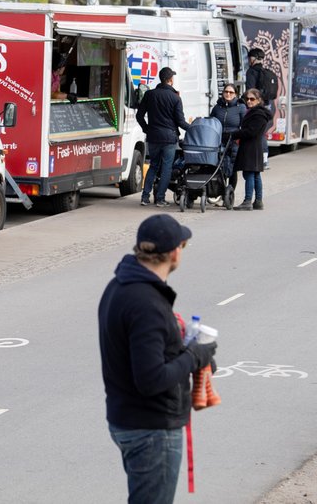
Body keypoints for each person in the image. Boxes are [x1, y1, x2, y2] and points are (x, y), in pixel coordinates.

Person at [98, 214, 217, 504]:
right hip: (151, 428)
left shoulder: (119, 287)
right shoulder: (146, 304)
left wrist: (181, 347)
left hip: (127, 418)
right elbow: (151, 379)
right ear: (175, 252)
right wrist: (194, 355)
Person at [137, 67, 190, 207]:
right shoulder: (175, 97)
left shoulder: (149, 94)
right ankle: (160, 199)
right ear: (171, 80)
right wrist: (193, 128)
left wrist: (147, 128)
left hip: (153, 137)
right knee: (167, 168)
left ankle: (145, 197)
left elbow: (139, 116)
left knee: (153, 166)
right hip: (169, 138)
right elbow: (180, 122)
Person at [233, 88, 273, 211]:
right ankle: (258, 201)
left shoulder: (258, 114)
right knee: (255, 174)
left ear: (259, 100)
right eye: (247, 99)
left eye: (252, 99)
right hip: (255, 146)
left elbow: (251, 131)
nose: (249, 101)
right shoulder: (256, 112)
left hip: (251, 146)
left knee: (249, 173)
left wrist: (236, 134)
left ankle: (248, 201)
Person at [209, 84, 246, 192]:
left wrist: (239, 138)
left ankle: (230, 193)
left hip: (233, 140)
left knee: (232, 168)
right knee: (220, 166)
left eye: (231, 92)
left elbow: (244, 126)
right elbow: (211, 122)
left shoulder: (240, 107)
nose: (228, 94)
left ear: (235, 94)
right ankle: (220, 192)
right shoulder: (217, 107)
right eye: (226, 92)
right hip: (219, 140)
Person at [244, 48, 273, 169]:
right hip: (266, 106)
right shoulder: (265, 72)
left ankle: (257, 161)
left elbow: (250, 90)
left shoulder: (251, 72)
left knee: (257, 134)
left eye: (250, 57)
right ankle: (265, 160)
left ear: (254, 58)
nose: (249, 59)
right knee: (262, 133)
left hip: (256, 108)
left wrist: (246, 101)